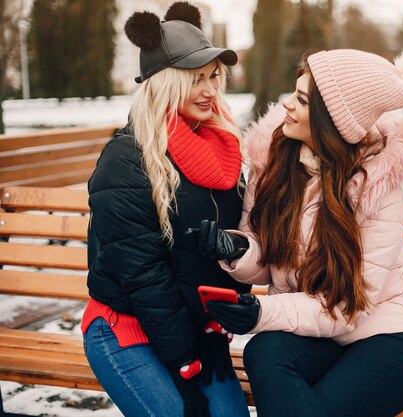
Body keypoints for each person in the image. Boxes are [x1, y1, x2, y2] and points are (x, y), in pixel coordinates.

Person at [200, 49, 403, 417]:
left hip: (384, 336)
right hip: (313, 335)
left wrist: (262, 312)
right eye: (294, 92)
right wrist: (238, 249)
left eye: (302, 100)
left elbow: (343, 308)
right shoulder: (272, 160)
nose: (286, 105)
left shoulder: (377, 186)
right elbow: (265, 257)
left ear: (333, 120)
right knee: (264, 351)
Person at [81, 2, 250, 416]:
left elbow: (236, 240)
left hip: (196, 330)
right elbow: (143, 276)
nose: (211, 91)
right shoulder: (127, 160)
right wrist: (184, 364)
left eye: (214, 77)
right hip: (127, 327)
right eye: (196, 80)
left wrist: (233, 277)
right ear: (164, 84)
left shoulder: (221, 148)